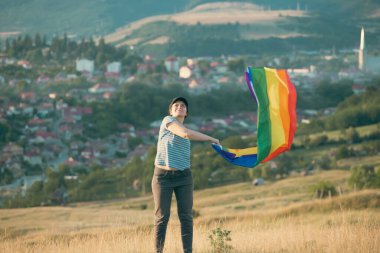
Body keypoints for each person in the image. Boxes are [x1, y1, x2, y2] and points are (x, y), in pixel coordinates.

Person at [152, 97, 220, 253]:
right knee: (162, 218)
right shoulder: (167, 121)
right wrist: (211, 138)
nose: (179, 107)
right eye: (176, 105)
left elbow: (187, 134)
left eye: (183, 105)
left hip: (184, 177)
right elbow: (185, 133)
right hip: (163, 178)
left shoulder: (187, 131)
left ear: (187, 112)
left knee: (186, 218)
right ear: (170, 111)